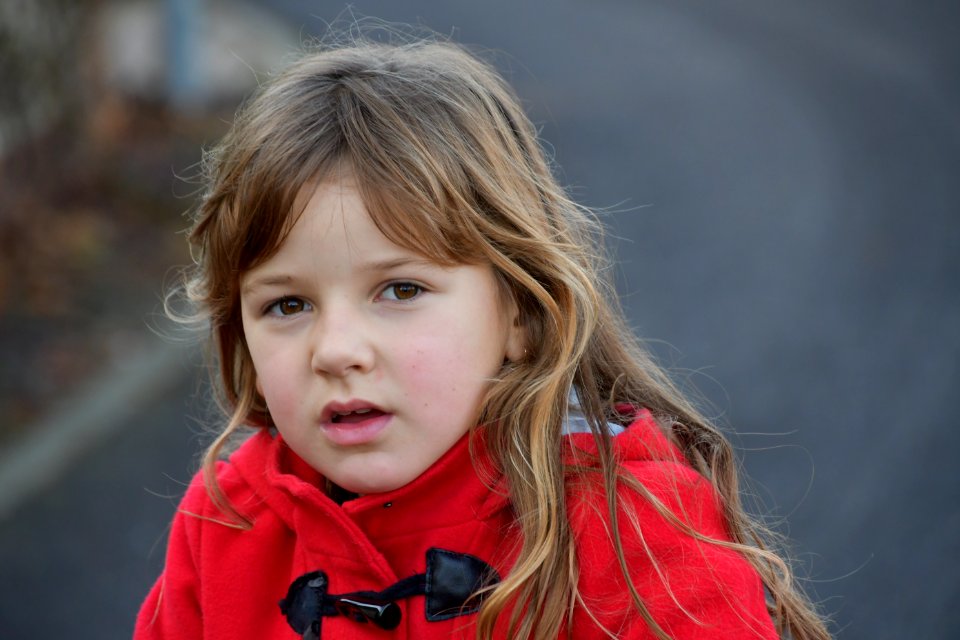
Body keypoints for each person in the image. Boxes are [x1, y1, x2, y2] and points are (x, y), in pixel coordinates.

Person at [135, 33, 830, 640]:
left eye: (400, 290)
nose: (336, 350)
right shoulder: (226, 523)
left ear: (522, 314)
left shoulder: (629, 529)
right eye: (287, 305)